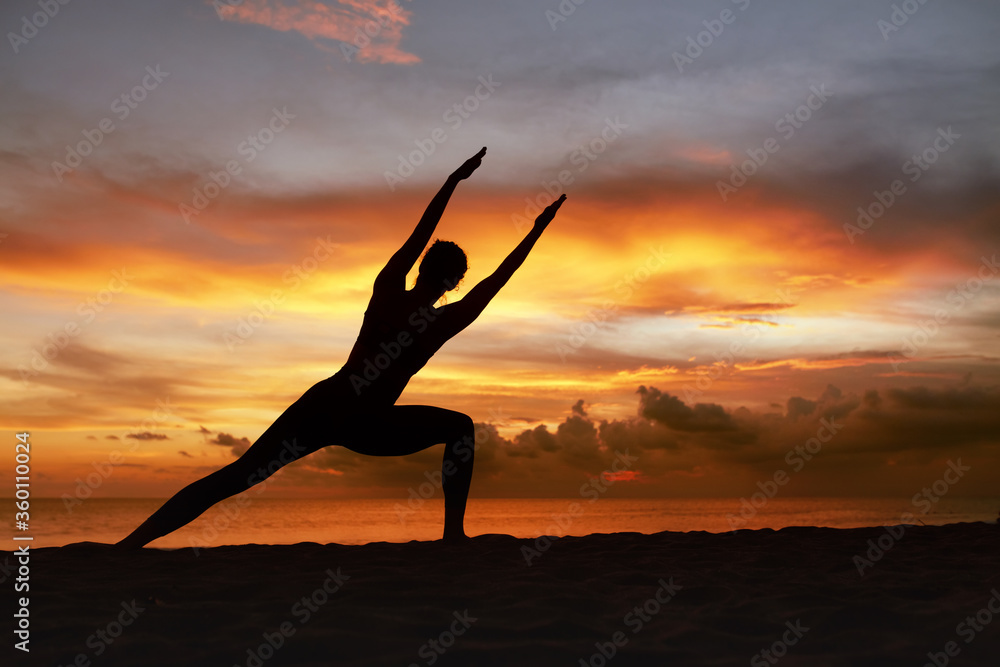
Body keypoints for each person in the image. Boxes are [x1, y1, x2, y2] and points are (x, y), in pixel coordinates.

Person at [116, 147, 567, 548]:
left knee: (238, 475)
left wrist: (453, 182)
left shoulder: (389, 287)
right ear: (453, 284)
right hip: (368, 423)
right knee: (460, 428)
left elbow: (420, 236)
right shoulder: (442, 321)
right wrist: (536, 229)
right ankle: (452, 537)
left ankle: (132, 544)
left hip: (328, 402)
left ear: (425, 266)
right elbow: (497, 280)